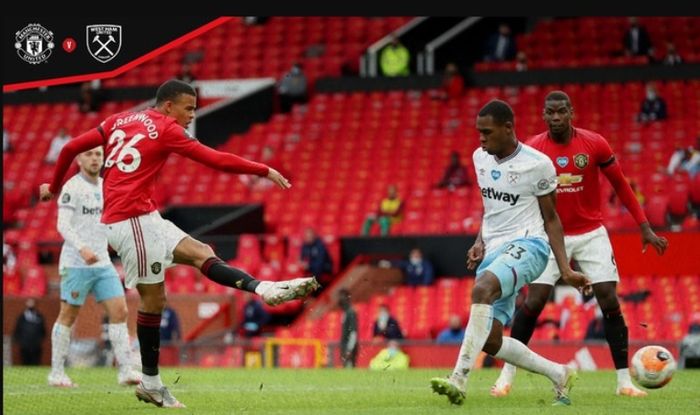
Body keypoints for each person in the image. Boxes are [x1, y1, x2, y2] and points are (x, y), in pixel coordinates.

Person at [39, 79, 319, 408]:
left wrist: (54, 186)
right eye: (189, 108)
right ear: (168, 105)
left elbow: (71, 147)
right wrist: (263, 169)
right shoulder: (167, 129)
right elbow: (214, 159)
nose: (191, 115)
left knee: (202, 252)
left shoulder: (119, 120)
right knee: (153, 300)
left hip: (145, 217)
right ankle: (151, 382)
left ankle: (263, 289)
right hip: (129, 222)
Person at [490, 91, 668, 399]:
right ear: (544, 115)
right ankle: (507, 375)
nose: (556, 117)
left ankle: (624, 381)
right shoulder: (533, 149)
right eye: (550, 113)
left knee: (609, 299)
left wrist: (645, 227)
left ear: (571, 112)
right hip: (547, 235)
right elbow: (512, 192)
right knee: (534, 301)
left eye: (561, 111)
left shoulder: (595, 144)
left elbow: (621, 184)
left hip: (590, 232)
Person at [430, 99, 591, 406]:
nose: (481, 138)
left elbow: (552, 219)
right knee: (490, 341)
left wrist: (566, 269)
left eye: (487, 132)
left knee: (482, 289)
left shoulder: (538, 164)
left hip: (530, 245)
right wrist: (480, 240)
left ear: (508, 128)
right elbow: (491, 207)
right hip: (494, 250)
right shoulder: (480, 157)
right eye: (478, 132)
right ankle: (559, 373)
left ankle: (458, 380)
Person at [48, 145, 142, 388]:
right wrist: (81, 247)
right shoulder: (72, 187)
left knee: (120, 311)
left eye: (98, 154)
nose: (94, 159)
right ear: (79, 159)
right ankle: (57, 372)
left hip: (102, 263)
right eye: (89, 154)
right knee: (68, 316)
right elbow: (63, 224)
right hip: (75, 263)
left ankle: (125, 370)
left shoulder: (107, 186)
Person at [13, 298, 46, 366]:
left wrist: (39, 340)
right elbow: (17, 329)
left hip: (36, 345)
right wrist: (19, 340)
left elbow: (43, 330)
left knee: (35, 362)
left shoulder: (39, 316)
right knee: (25, 362)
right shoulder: (22, 317)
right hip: (25, 345)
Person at [338, 289, 359, 368]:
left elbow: (353, 332)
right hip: (345, 345)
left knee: (349, 368)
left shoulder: (351, 312)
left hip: (349, 346)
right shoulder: (345, 312)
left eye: (342, 297)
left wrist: (350, 348)